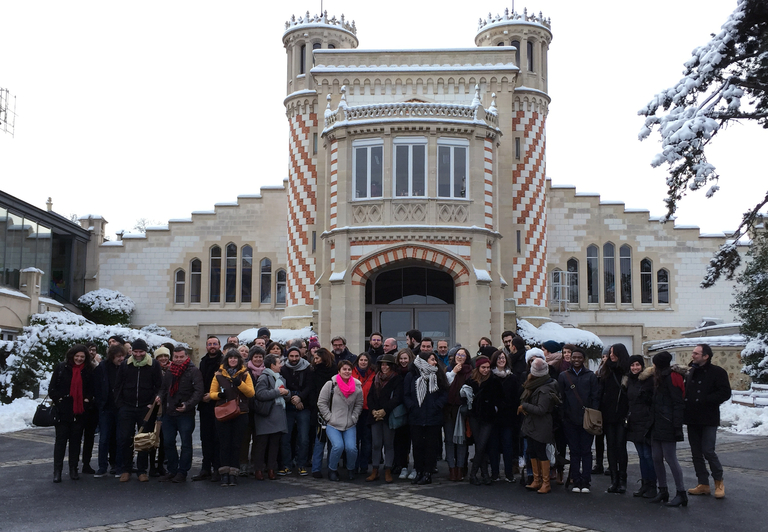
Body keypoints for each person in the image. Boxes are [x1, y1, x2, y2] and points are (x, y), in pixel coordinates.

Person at [685, 343, 731, 499]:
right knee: (696, 453)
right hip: (692, 418)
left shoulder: (718, 372)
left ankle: (719, 481)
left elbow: (725, 393)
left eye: (696, 353)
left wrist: (705, 400)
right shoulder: (691, 372)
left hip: (709, 418)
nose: (693, 355)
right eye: (693, 353)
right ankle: (703, 483)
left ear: (706, 356)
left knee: (708, 450)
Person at [114, 338, 163, 482]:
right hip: (127, 407)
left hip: (146, 408)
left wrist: (152, 402)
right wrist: (120, 404)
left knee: (144, 440)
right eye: (135, 351)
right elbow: (118, 386)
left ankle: (142, 470)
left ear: (145, 351)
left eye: (141, 351)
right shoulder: (125, 365)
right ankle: (126, 469)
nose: (138, 354)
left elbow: (159, 385)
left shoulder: (154, 365)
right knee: (125, 439)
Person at [209, 348, 255, 486]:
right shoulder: (218, 374)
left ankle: (234, 473)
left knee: (236, 444)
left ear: (239, 360)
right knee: (224, 444)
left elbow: (251, 393)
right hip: (224, 412)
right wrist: (219, 395)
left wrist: (239, 384)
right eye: (230, 358)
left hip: (240, 413)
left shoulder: (245, 374)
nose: (233, 360)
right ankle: (224, 473)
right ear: (227, 360)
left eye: (235, 358)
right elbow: (211, 393)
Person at [157, 346, 203, 483]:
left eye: (181, 357)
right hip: (169, 413)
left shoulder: (193, 371)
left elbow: (198, 391)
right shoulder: (170, 371)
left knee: (186, 443)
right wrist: (159, 396)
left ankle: (182, 471)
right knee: (168, 442)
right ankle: (172, 470)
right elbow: (163, 388)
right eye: (176, 357)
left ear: (186, 357)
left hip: (185, 413)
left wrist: (187, 405)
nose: (178, 359)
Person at [49, 344, 95, 482]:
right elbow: (52, 389)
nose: (79, 359)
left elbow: (92, 389)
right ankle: (57, 471)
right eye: (77, 356)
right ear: (72, 356)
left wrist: (87, 399)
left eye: (82, 356)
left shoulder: (88, 370)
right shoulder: (61, 368)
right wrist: (60, 398)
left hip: (80, 412)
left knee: (76, 442)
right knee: (60, 442)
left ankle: (73, 469)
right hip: (63, 411)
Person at [648, 351, 688, 507]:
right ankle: (663, 490)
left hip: (668, 423)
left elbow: (678, 403)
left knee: (671, 459)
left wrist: (677, 425)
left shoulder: (672, 377)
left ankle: (681, 493)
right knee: (656, 457)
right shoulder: (659, 378)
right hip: (657, 423)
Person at [557, 347, 599, 493]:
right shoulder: (564, 376)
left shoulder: (591, 376)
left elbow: (595, 398)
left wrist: (592, 415)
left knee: (586, 451)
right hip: (570, 420)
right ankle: (576, 480)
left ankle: (586, 481)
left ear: (583, 359)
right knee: (574, 451)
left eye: (579, 357)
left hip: (587, 420)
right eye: (573, 357)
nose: (576, 360)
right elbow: (560, 397)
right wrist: (563, 417)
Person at [403, 351, 448, 485]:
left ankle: (428, 473)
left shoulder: (438, 375)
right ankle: (419, 471)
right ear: (423, 360)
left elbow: (444, 392)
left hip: (433, 417)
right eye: (432, 360)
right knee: (417, 446)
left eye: (435, 360)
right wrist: (412, 407)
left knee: (430, 447)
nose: (435, 362)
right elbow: (406, 395)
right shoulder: (411, 375)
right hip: (416, 417)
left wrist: (437, 405)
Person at [317, 360, 363, 481]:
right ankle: (332, 470)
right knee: (338, 446)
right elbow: (321, 403)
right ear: (339, 371)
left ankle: (351, 469)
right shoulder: (330, 385)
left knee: (351, 448)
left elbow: (359, 404)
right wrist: (329, 417)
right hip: (333, 423)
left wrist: (354, 417)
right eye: (344, 369)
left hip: (349, 424)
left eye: (349, 369)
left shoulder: (357, 386)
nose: (347, 372)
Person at [519, 357, 560, 494]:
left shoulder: (545, 388)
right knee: (532, 450)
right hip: (532, 424)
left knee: (541, 452)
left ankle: (545, 482)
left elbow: (541, 410)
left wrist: (524, 405)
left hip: (541, 425)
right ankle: (537, 480)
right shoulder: (535, 384)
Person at [366, 353, 403, 483]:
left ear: (392, 366)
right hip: (375, 416)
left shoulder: (397, 379)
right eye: (382, 364)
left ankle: (387, 470)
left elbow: (397, 398)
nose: (384, 366)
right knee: (376, 444)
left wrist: (384, 411)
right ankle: (375, 470)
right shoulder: (376, 378)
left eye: (387, 364)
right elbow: (370, 397)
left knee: (389, 444)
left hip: (389, 415)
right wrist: (374, 411)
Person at [599, 343, 630, 493]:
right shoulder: (606, 369)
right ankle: (614, 479)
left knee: (620, 447)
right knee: (610, 447)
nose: (611, 355)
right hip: (608, 414)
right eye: (610, 352)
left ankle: (623, 479)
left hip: (622, 415)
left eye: (614, 352)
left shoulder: (627, 370)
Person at [254, 353, 290, 481]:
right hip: (266, 415)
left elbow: (286, 394)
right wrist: (278, 392)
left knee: (275, 445)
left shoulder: (280, 377)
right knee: (262, 444)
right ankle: (258, 469)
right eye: (278, 363)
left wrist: (286, 393)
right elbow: (260, 394)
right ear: (272, 365)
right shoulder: (264, 377)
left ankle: (271, 469)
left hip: (278, 415)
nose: (281, 365)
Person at [279, 345, 313, 476]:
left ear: (301, 356)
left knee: (303, 438)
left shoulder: (308, 368)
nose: (294, 359)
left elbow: (309, 386)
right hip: (288, 406)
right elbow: (282, 386)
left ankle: (301, 464)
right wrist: (294, 398)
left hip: (303, 406)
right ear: (288, 356)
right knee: (285, 438)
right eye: (291, 356)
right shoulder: (283, 369)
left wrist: (300, 398)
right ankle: (286, 464)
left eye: (296, 356)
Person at [468, 355, 502, 485]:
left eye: (488, 367)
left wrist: (494, 408)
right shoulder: (471, 380)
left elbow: (500, 398)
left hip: (488, 417)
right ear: (478, 368)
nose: (486, 370)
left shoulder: (494, 380)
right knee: (479, 446)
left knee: (482, 445)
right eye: (483, 367)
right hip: (475, 416)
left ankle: (473, 474)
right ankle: (484, 474)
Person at [488, 349, 521, 483]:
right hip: (493, 416)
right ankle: (495, 473)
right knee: (493, 447)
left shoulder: (512, 377)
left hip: (507, 417)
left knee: (508, 446)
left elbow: (515, 397)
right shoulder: (490, 376)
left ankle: (509, 474)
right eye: (499, 358)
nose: (502, 360)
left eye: (503, 358)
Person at [626, 354, 657, 498]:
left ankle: (653, 485)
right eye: (632, 365)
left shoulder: (649, 380)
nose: (635, 368)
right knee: (641, 456)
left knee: (648, 455)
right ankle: (645, 484)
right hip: (634, 422)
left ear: (642, 366)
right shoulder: (629, 381)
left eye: (637, 365)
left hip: (646, 422)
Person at [93, 344, 126, 478]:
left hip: (121, 407)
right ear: (112, 356)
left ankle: (118, 466)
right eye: (118, 356)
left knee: (120, 438)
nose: (121, 359)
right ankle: (102, 466)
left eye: (122, 356)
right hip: (106, 407)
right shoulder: (102, 368)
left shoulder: (125, 367)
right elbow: (96, 386)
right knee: (104, 438)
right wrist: (101, 402)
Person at [194, 336, 224, 482]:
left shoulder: (223, 362)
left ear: (219, 346)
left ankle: (217, 468)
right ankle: (205, 468)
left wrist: (212, 396)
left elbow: (225, 384)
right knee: (205, 438)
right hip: (205, 406)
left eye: (215, 344)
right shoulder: (203, 361)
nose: (212, 346)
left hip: (219, 404)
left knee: (217, 438)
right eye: (209, 344)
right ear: (206, 346)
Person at [444, 347, 472, 482]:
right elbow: (444, 387)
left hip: (462, 411)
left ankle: (460, 468)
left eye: (463, 355)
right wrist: (454, 372)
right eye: (458, 354)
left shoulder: (470, 373)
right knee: (449, 441)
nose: (460, 357)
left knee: (461, 441)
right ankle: (452, 469)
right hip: (449, 410)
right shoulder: (448, 370)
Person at [310, 347, 337, 478]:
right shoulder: (314, 372)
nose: (314, 361)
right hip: (319, 409)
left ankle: (332, 468)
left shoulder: (335, 371)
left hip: (335, 409)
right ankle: (316, 469)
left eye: (317, 358)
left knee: (333, 441)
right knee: (320, 440)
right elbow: (312, 390)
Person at [78, 344, 101, 475]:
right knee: (76, 436)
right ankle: (75, 464)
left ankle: (86, 463)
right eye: (89, 350)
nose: (91, 352)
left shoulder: (96, 367)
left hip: (92, 407)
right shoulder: (76, 368)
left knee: (89, 437)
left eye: (94, 350)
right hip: (79, 406)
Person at [149, 346, 170, 478]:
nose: (163, 358)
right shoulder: (151, 369)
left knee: (164, 438)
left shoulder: (173, 369)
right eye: (160, 356)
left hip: (167, 408)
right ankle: (151, 466)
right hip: (153, 407)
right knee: (152, 438)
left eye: (165, 356)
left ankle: (161, 464)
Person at [394, 348, 415, 479]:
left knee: (415, 441)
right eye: (401, 359)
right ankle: (402, 465)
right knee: (400, 441)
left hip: (412, 409)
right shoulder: (395, 373)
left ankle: (415, 467)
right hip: (399, 410)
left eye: (405, 359)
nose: (403, 361)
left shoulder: (414, 373)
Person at [352, 352, 375, 475]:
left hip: (367, 410)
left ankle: (364, 465)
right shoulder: (351, 372)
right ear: (358, 361)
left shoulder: (373, 374)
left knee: (366, 440)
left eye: (366, 360)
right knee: (354, 439)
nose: (363, 362)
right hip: (355, 410)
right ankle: (354, 465)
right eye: (361, 360)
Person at [592, 349, 610, 475]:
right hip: (599, 409)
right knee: (599, 438)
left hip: (609, 410)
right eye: (603, 356)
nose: (604, 359)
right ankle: (599, 463)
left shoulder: (612, 371)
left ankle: (610, 464)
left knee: (610, 440)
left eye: (607, 356)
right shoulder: (598, 372)